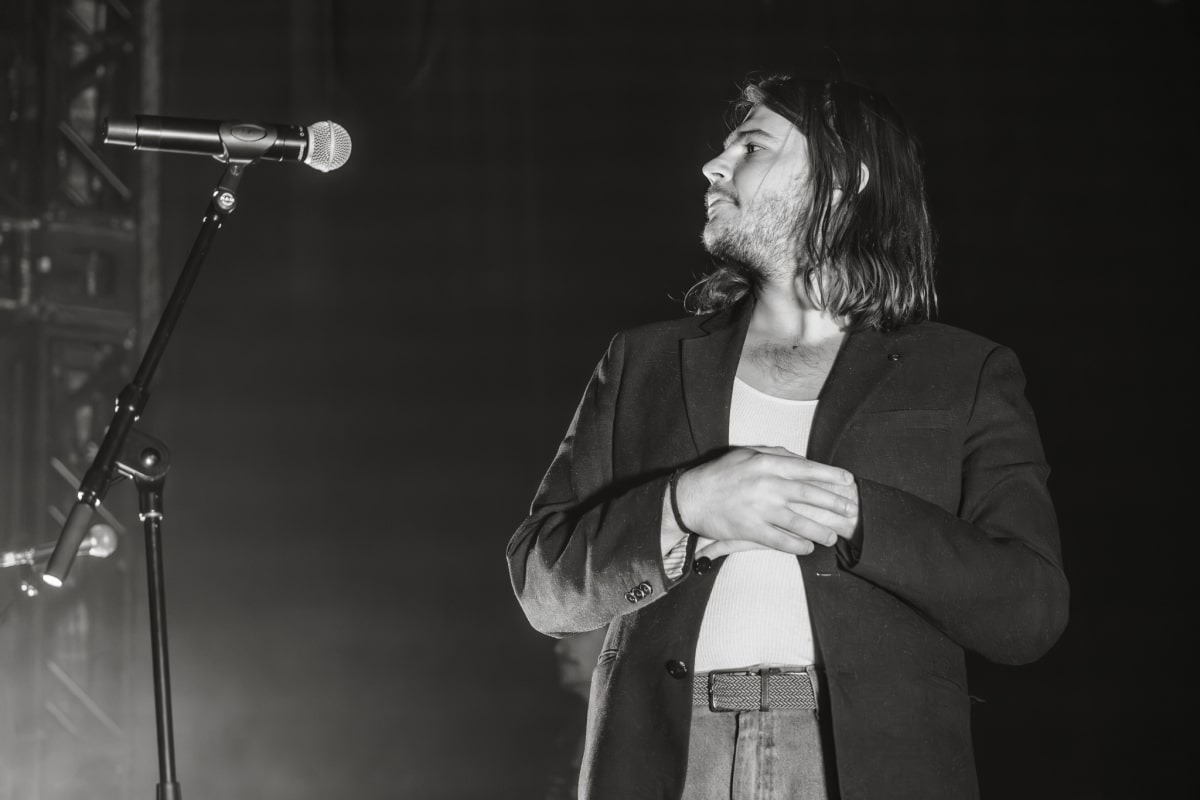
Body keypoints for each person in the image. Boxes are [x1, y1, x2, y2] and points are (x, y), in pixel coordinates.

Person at [507, 73, 1068, 800]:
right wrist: (683, 506)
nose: (713, 166)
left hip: (869, 767)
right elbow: (544, 586)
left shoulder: (966, 371)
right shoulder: (643, 360)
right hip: (669, 762)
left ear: (842, 181)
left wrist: (856, 514)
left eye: (751, 146)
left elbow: (1029, 612)